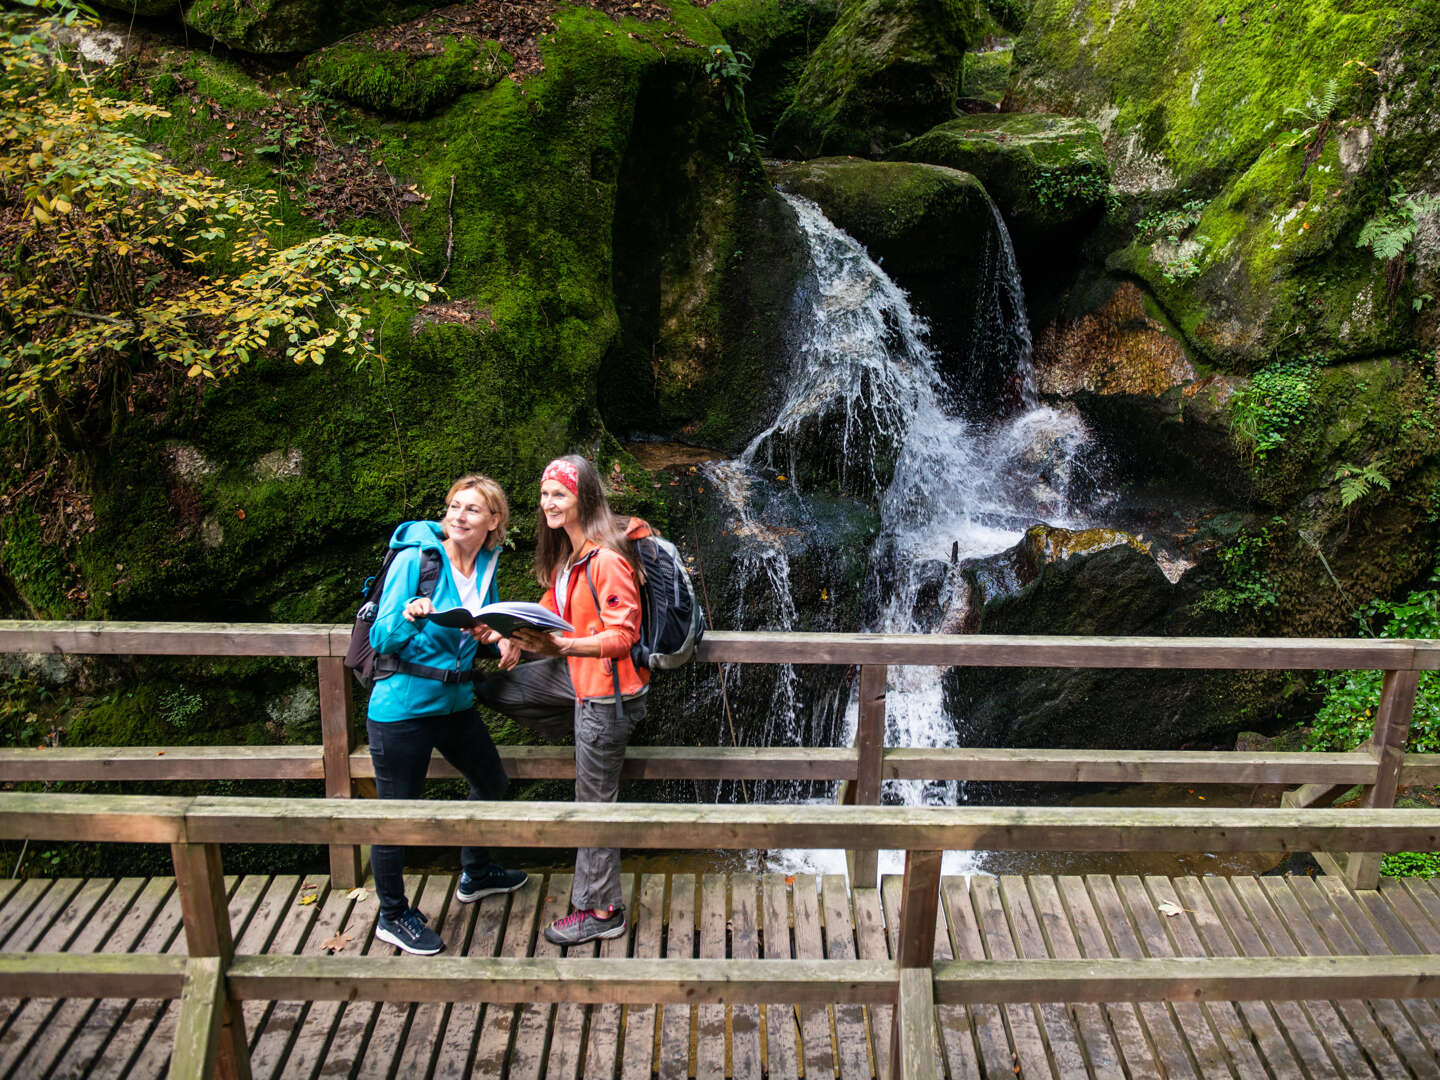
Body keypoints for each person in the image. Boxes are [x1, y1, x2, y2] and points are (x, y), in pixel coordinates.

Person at [478, 455, 651, 947]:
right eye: (544, 493)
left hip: (606, 696)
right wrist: (513, 635)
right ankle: (573, 728)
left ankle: (603, 910)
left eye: (558, 494)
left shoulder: (606, 558)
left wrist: (566, 646)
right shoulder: (570, 557)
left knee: (593, 803)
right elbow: (554, 608)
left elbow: (623, 635)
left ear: (585, 499)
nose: (547, 503)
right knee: (490, 686)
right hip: (578, 683)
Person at [366, 473, 528, 955]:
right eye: (454, 507)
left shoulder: (486, 562)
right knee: (397, 814)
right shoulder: (418, 560)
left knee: (492, 781)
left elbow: (485, 620)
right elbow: (381, 638)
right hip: (403, 706)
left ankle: (475, 872)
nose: (459, 516)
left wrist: (498, 637)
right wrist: (411, 614)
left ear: (493, 521)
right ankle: (392, 914)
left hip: (456, 703)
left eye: (472, 510)